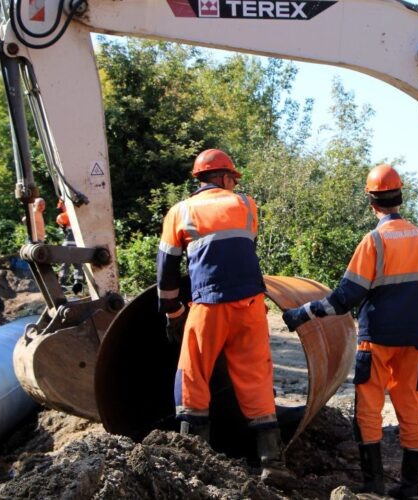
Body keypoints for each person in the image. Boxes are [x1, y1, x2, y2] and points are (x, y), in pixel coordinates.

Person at [281, 164, 418, 498]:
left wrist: (301, 313)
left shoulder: (375, 241)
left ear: (371, 202)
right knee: (410, 408)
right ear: (400, 198)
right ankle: (411, 486)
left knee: (368, 409)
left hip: (377, 339)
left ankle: (374, 484)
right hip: (413, 340)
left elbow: (344, 298)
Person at [156, 148, 291, 486]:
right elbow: (240, 251)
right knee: (256, 376)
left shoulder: (180, 211)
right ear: (225, 177)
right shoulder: (246, 205)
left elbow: (167, 272)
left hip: (208, 305)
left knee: (193, 374)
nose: (234, 184)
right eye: (233, 178)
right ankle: (273, 463)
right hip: (250, 305)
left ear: (199, 179)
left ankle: (193, 460)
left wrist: (174, 313)